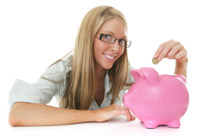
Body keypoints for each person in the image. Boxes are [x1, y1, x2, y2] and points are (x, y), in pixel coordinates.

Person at [8, 6, 188, 126]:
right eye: (107, 37)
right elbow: (18, 114)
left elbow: (167, 103)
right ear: (88, 37)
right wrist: (96, 115)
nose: (117, 49)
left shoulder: (122, 71)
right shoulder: (63, 70)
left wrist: (181, 64)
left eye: (122, 41)